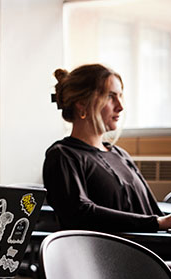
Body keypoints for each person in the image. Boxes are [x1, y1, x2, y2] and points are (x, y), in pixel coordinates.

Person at [43, 64, 171, 232]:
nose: (120, 106)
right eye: (111, 97)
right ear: (82, 104)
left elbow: (151, 211)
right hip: (111, 256)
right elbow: (79, 213)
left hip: (150, 249)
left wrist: (162, 222)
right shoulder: (63, 156)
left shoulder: (120, 155)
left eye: (120, 96)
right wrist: (157, 223)